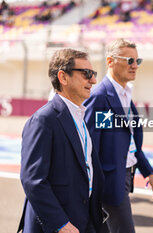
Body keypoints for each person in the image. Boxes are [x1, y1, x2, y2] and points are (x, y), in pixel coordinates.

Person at [18, 49, 105, 233]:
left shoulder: (80, 115)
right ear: (63, 77)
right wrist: (60, 223)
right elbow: (33, 180)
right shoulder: (43, 120)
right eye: (86, 74)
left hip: (85, 218)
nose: (93, 80)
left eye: (93, 74)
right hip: (59, 225)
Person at [84, 38, 153, 233]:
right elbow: (88, 147)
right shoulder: (100, 97)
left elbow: (131, 142)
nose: (135, 66)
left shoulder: (126, 94)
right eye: (129, 60)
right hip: (109, 184)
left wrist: (148, 171)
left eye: (138, 61)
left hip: (124, 176)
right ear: (110, 61)